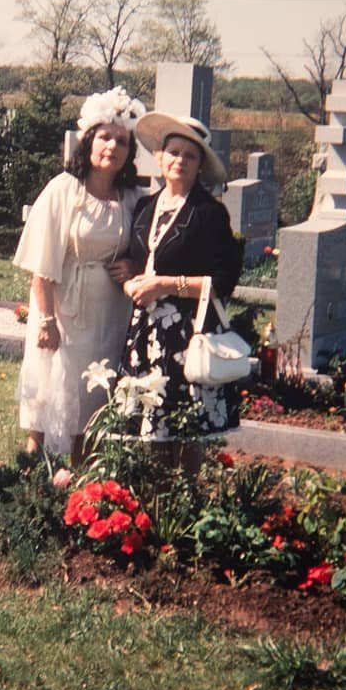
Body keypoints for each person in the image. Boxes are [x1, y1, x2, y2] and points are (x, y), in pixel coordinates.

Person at [12, 86, 146, 461]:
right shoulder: (63, 190)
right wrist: (47, 319)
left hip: (110, 311)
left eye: (122, 141)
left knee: (94, 394)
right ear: (88, 141)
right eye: (105, 137)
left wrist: (134, 266)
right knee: (52, 388)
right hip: (63, 306)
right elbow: (42, 263)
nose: (112, 146)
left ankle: (82, 471)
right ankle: (34, 470)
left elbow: (149, 250)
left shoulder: (133, 198)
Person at [119, 112, 244, 472]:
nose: (180, 161)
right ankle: (158, 506)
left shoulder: (209, 213)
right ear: (159, 157)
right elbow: (133, 261)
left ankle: (185, 502)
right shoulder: (144, 207)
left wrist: (165, 285)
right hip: (147, 334)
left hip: (186, 332)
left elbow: (224, 279)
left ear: (200, 165)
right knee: (152, 428)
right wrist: (130, 280)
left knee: (185, 428)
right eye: (173, 152)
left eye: (190, 156)